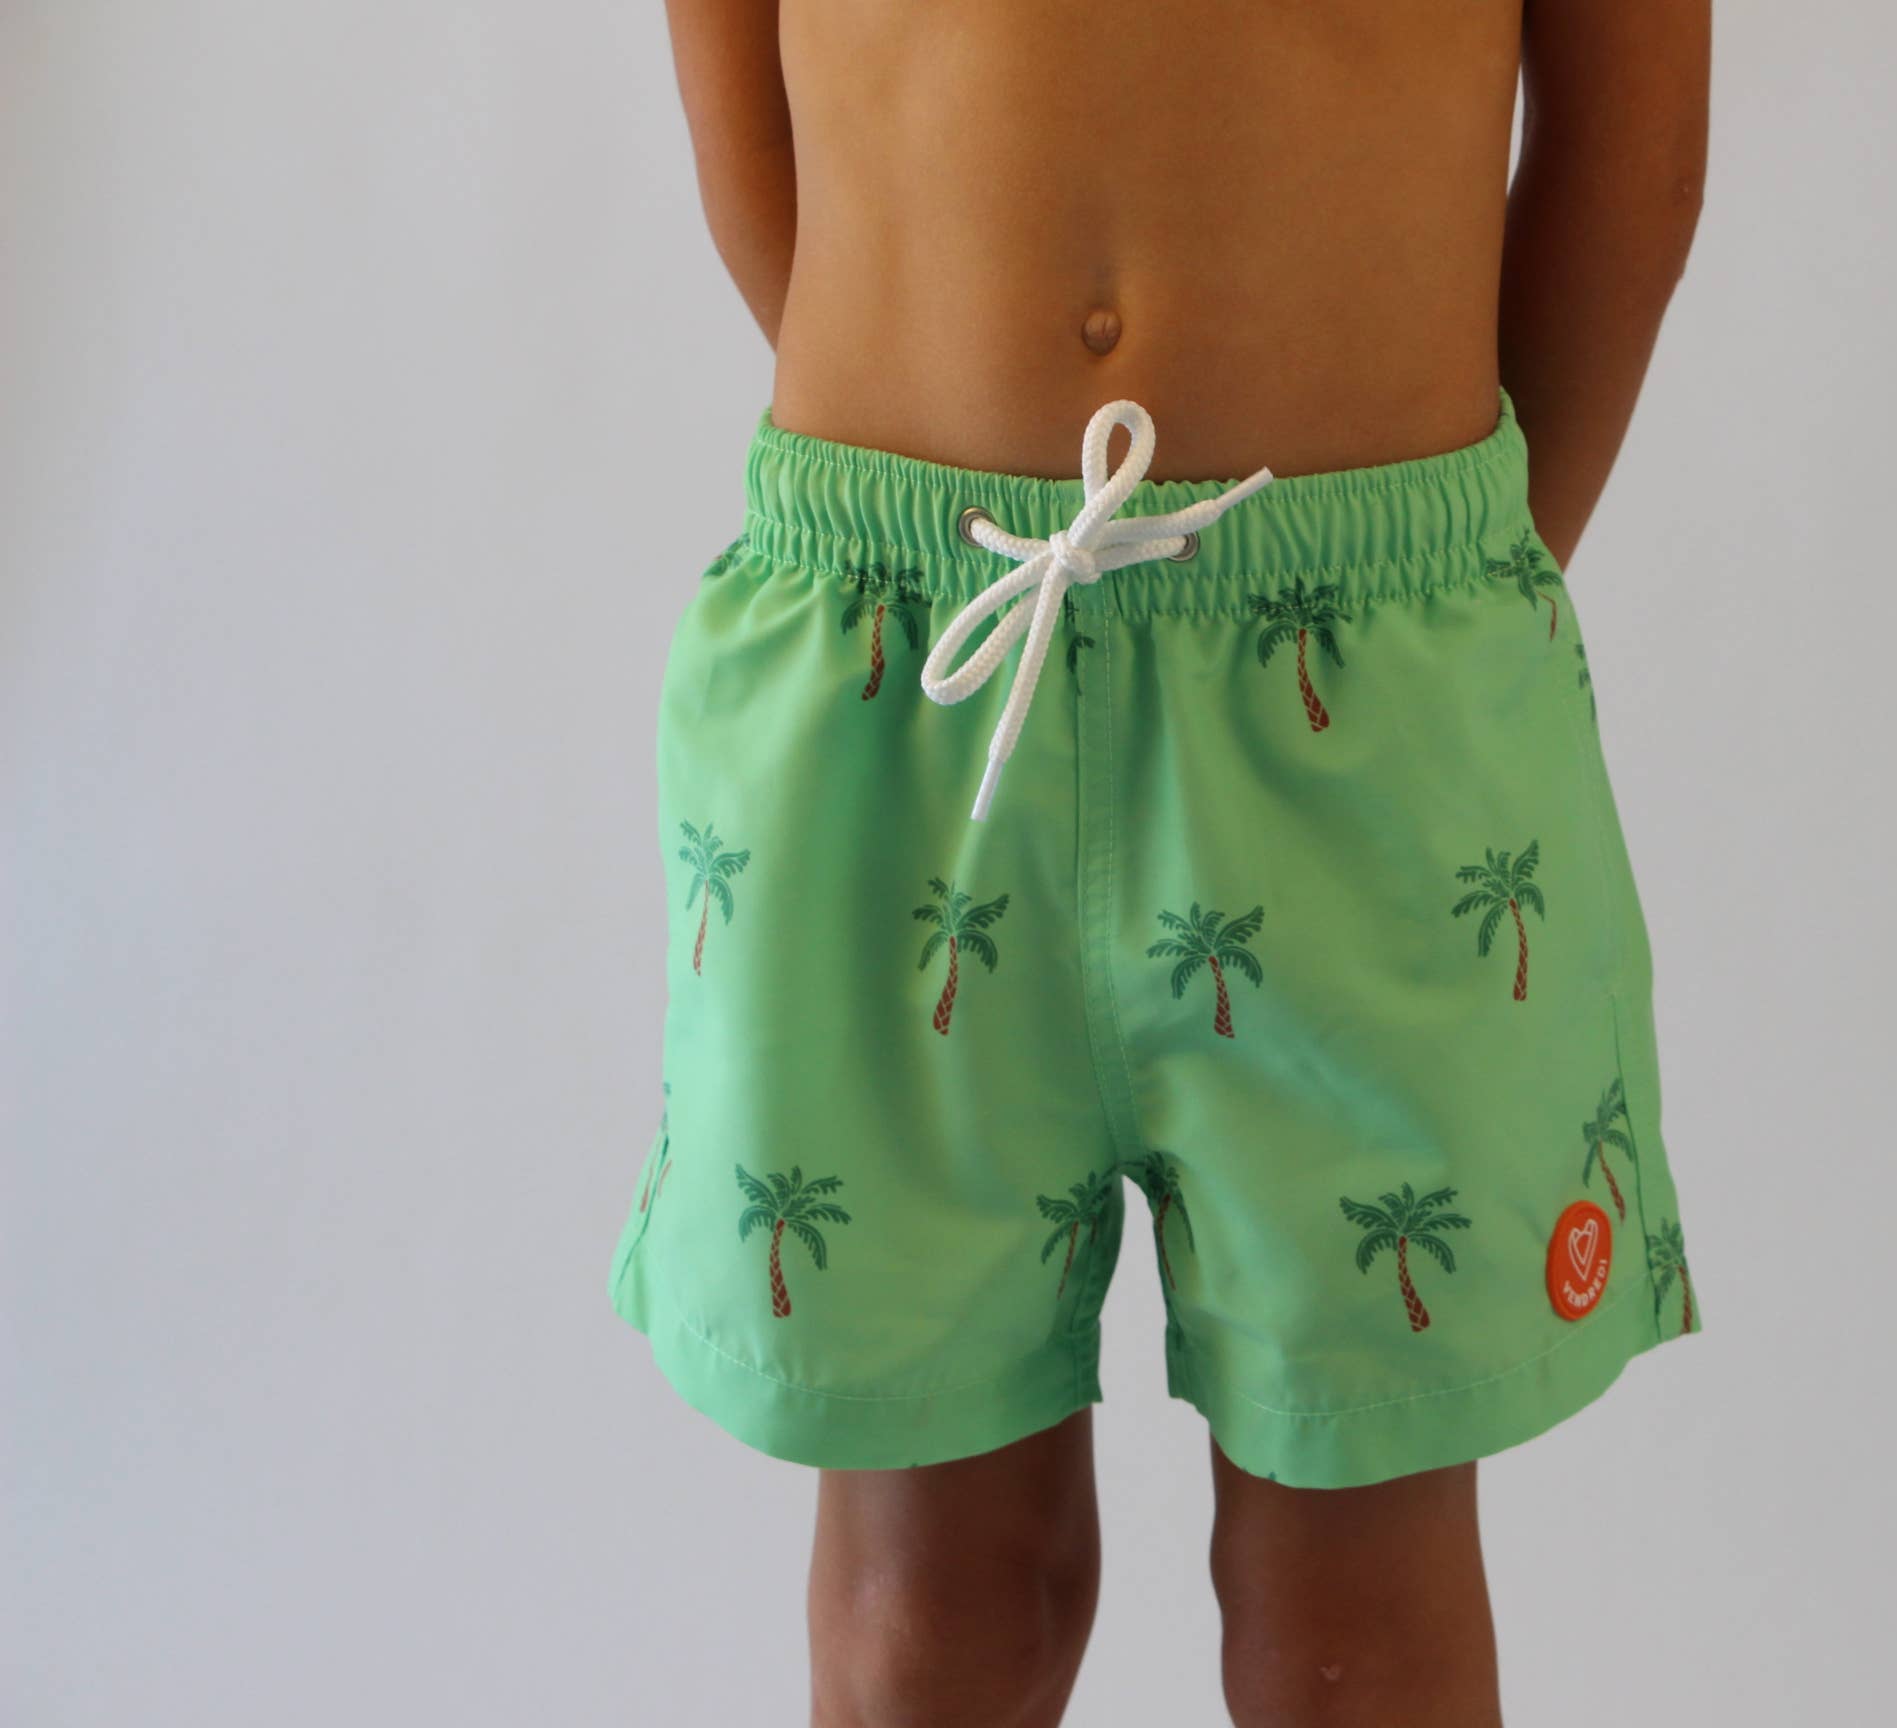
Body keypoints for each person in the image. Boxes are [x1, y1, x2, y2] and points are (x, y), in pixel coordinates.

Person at [612, 2, 1710, 1721]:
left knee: (1354, 1633)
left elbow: (1632, 167)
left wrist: (1435, 598)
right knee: (927, 1614)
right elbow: (756, 134)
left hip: (1365, 683)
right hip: (901, 666)